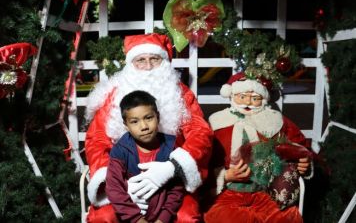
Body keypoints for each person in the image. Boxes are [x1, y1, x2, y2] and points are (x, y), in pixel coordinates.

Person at [85, 33, 213, 223]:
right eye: (140, 60)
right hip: (123, 181)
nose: (148, 66)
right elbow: (96, 140)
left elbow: (201, 133)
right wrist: (121, 185)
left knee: (186, 217)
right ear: (130, 64)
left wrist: (172, 168)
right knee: (104, 217)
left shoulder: (181, 93)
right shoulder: (114, 95)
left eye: (154, 59)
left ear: (164, 62)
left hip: (171, 182)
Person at [204, 72, 313, 223]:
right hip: (227, 193)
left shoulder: (275, 120)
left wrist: (303, 162)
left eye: (255, 98)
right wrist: (224, 176)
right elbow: (200, 161)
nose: (248, 102)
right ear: (232, 95)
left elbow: (299, 146)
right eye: (242, 97)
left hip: (265, 192)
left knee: (286, 218)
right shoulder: (217, 123)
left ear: (263, 99)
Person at [106, 90, 184, 223]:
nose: (144, 127)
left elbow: (176, 189)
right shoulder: (120, 150)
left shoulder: (172, 146)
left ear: (157, 117)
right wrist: (137, 219)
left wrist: (163, 218)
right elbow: (114, 189)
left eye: (148, 118)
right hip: (131, 213)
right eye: (134, 122)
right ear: (126, 125)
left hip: (162, 212)